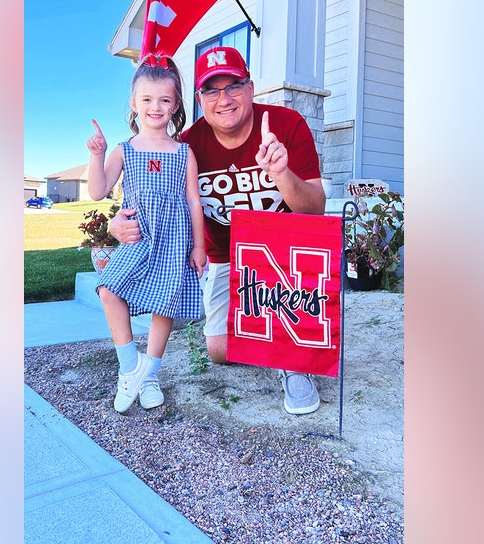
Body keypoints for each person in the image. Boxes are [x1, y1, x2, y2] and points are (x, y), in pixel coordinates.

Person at [109, 46, 328, 414]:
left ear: (251, 88)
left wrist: (281, 174)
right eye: (212, 90)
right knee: (219, 351)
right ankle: (264, 320)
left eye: (234, 86)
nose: (223, 99)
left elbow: (315, 208)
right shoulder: (188, 145)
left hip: (283, 253)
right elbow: (154, 195)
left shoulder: (286, 124)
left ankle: (292, 354)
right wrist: (119, 219)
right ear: (197, 99)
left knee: (279, 315)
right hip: (227, 256)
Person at [86, 55, 205, 413]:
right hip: (139, 234)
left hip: (174, 238)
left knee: (164, 304)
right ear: (134, 104)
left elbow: (194, 202)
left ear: (176, 105)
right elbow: (98, 190)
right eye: (148, 100)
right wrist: (98, 155)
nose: (156, 107)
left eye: (165, 100)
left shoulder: (184, 152)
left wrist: (199, 246)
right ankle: (131, 368)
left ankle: (150, 374)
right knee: (108, 290)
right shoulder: (125, 149)